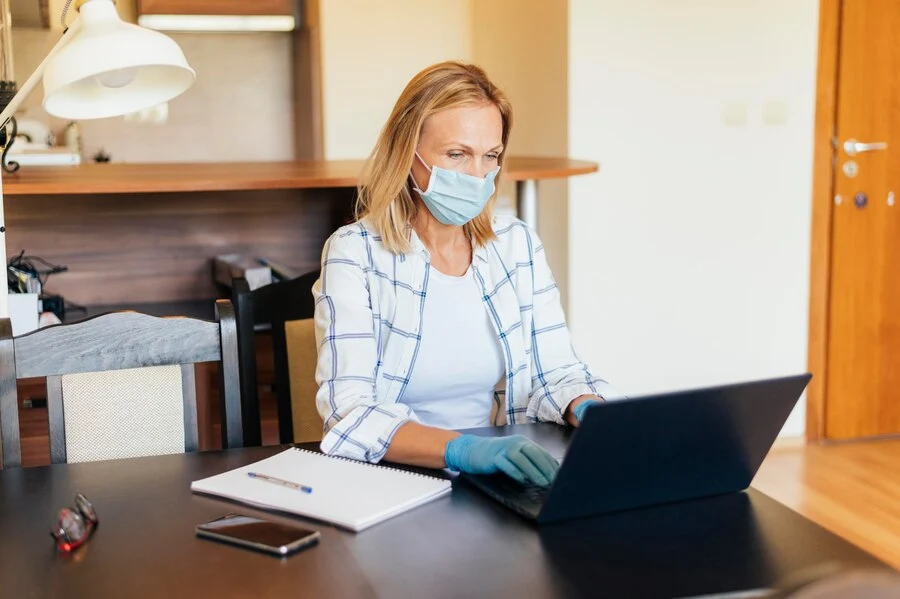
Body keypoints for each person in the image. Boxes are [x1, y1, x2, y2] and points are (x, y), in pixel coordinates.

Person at [312, 61, 620, 487]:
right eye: (456, 154)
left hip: (504, 477)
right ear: (407, 152)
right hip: (397, 482)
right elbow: (350, 413)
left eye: (490, 156)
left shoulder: (516, 245)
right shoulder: (354, 253)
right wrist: (462, 449)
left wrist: (588, 407)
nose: (477, 176)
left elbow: (557, 373)